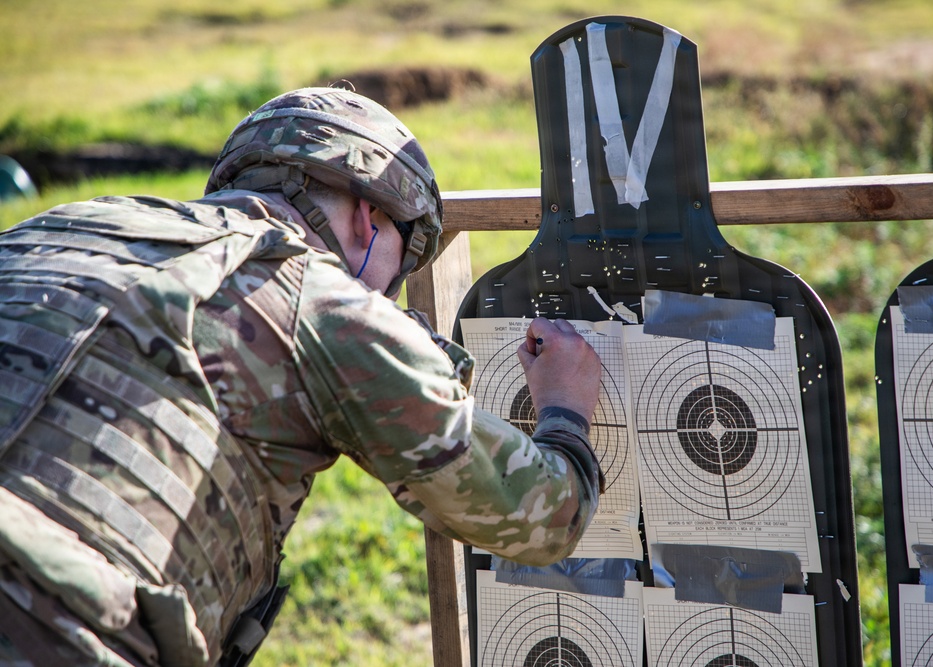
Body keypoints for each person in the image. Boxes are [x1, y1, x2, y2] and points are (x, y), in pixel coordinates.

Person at [0, 86, 604, 667]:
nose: (390, 296)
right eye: (400, 269)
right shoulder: (326, 302)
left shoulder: (63, 224)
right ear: (370, 219)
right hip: (54, 623)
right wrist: (565, 409)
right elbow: (542, 519)